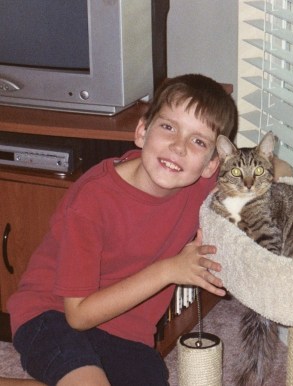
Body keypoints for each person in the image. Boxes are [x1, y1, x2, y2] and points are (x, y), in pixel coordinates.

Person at [4, 74, 238, 386]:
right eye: (168, 127)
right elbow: (78, 314)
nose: (178, 147)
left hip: (126, 332)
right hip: (52, 315)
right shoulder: (93, 201)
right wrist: (169, 270)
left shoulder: (200, 182)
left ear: (211, 165)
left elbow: (270, 169)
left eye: (198, 141)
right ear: (142, 131)